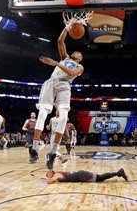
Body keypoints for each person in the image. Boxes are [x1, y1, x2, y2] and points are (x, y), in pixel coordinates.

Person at [29, 25, 84, 170]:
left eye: (79, 53)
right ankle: (34, 148)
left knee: (64, 117)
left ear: (80, 59)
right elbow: (60, 41)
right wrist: (67, 28)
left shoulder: (80, 67)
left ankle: (53, 151)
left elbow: (71, 74)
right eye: (76, 51)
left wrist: (55, 64)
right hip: (51, 82)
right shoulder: (65, 57)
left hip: (64, 86)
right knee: (42, 112)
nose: (77, 52)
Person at [46, 168, 128, 184]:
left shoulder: (56, 174)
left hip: (81, 176)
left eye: (48, 174)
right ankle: (119, 173)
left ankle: (119, 172)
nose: (47, 175)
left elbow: (50, 181)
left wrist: (49, 179)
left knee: (100, 178)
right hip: (80, 175)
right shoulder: (58, 174)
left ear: (51, 173)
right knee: (100, 178)